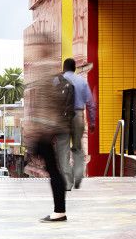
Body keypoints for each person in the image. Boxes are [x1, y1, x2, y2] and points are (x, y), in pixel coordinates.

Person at [23, 33, 70, 223]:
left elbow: (41, 102)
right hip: (54, 126)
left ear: (43, 47)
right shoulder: (55, 70)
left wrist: (36, 127)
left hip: (46, 128)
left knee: (54, 169)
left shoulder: (44, 69)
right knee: (54, 168)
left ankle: (59, 211)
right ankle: (59, 209)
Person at [57, 58, 97, 191]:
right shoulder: (82, 81)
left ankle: (68, 182)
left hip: (62, 118)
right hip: (78, 115)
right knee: (78, 147)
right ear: (74, 68)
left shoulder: (57, 80)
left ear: (64, 68)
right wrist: (92, 121)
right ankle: (79, 174)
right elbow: (91, 103)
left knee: (63, 149)